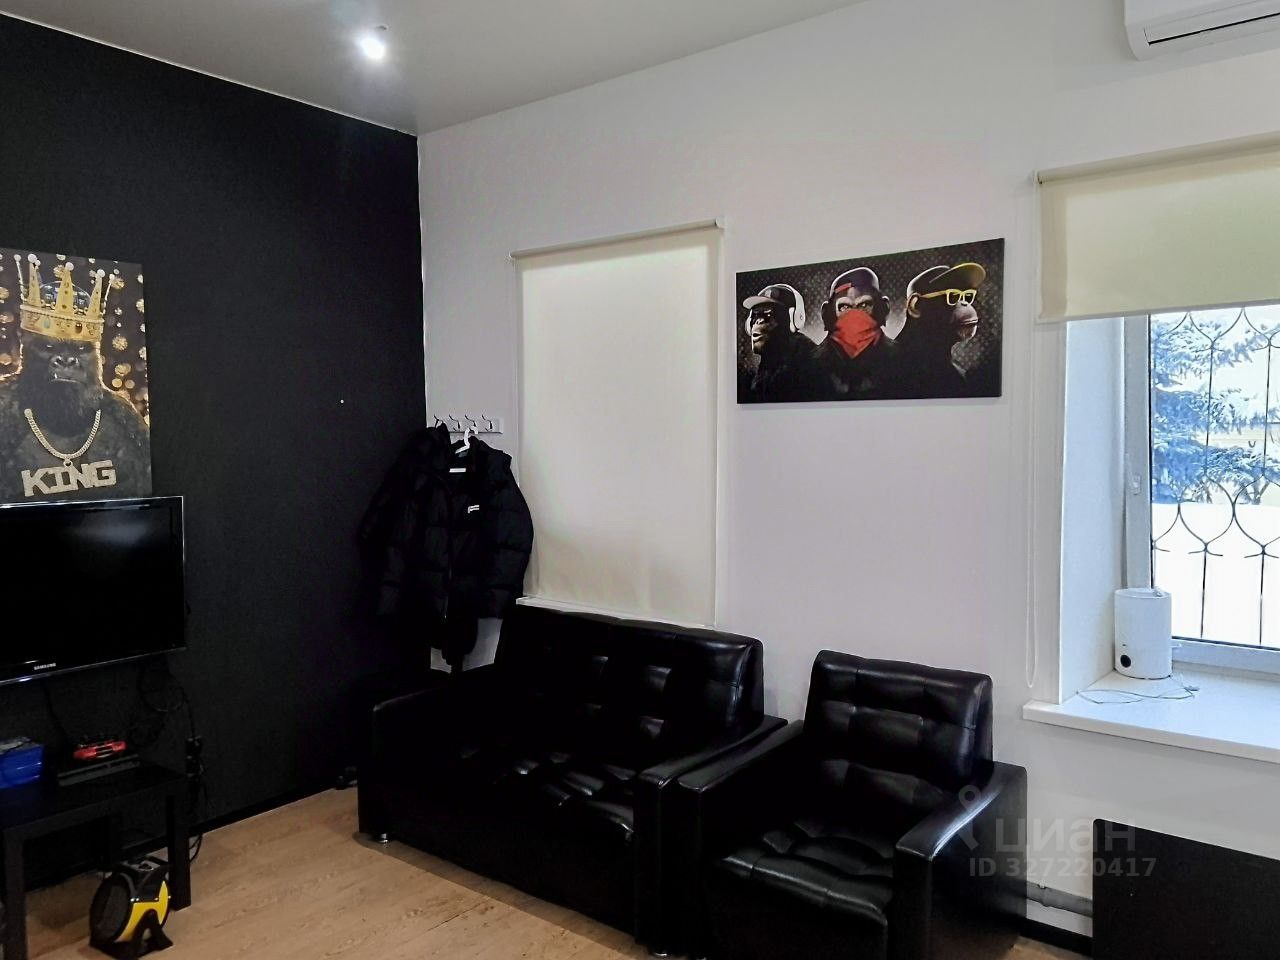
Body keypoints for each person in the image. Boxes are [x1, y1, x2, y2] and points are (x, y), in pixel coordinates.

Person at [0, 257, 150, 501]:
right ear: (25, 352)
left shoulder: (119, 415)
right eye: (48, 348)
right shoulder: (4, 409)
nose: (66, 361)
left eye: (81, 350)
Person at [895, 262, 986, 398]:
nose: (965, 303)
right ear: (916, 305)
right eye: (953, 296)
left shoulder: (956, 375)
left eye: (967, 296)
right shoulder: (891, 365)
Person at [812, 267, 897, 400]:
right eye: (844, 307)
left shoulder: (900, 358)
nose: (854, 316)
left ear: (883, 308)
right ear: (827, 313)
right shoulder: (811, 365)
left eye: (864, 305)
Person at [741, 283, 815, 402]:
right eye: (755, 315)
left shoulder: (808, 360)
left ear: (794, 318)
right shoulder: (768, 363)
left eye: (767, 314)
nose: (757, 322)